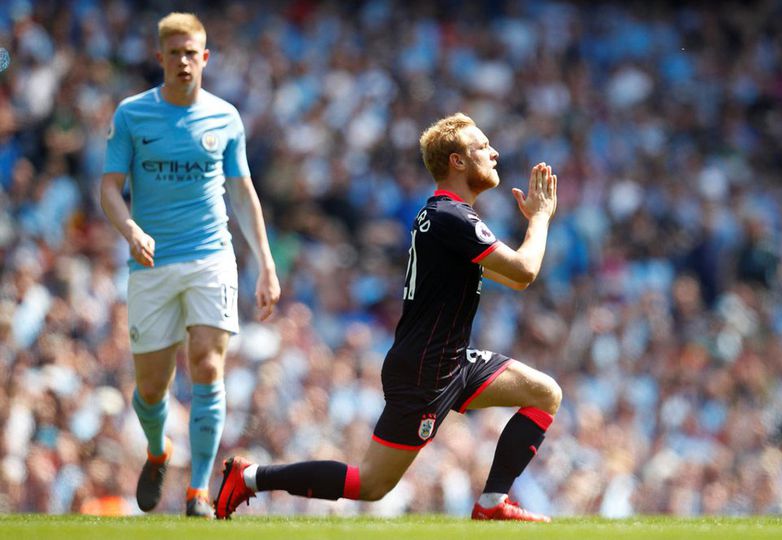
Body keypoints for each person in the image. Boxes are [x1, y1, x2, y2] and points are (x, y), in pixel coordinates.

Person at [215, 112, 561, 521]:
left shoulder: (446, 217)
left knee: (544, 393)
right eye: (482, 147)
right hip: (426, 370)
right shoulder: (452, 217)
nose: (494, 153)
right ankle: (249, 476)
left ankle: (492, 503)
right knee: (372, 485)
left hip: (450, 359)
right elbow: (525, 270)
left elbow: (517, 281)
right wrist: (540, 217)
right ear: (458, 161)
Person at [99, 12, 281, 518]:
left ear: (205, 58)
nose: (183, 60)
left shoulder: (226, 118)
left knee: (206, 363)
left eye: (191, 52)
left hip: (210, 256)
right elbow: (109, 188)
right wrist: (130, 229)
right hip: (151, 261)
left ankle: (198, 491)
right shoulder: (133, 115)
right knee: (152, 388)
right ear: (160, 58)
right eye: (173, 52)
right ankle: (159, 450)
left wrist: (265, 263)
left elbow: (243, 194)